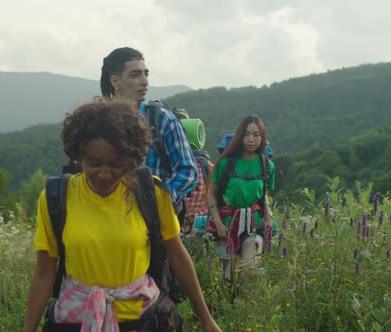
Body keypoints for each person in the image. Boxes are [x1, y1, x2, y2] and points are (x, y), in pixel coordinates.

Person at [23, 99, 221, 332]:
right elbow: (45, 273)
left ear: (131, 159)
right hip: (76, 320)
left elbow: (178, 256)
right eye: (94, 163)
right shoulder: (56, 198)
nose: (105, 174)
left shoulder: (151, 194)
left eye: (116, 164)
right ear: (78, 155)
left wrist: (207, 319)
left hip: (142, 320)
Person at [100, 47, 198, 222]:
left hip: (152, 222)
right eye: (135, 75)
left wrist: (158, 199)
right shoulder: (97, 121)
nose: (145, 81)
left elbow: (188, 170)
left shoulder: (160, 119)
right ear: (115, 80)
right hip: (107, 217)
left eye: (146, 74)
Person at [206, 115, 274, 280]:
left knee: (249, 271)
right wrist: (218, 223)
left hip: (254, 225)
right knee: (229, 279)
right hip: (227, 225)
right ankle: (232, 305)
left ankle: (248, 305)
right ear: (239, 136)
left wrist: (268, 213)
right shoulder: (226, 163)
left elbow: (264, 194)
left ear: (262, 137)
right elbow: (211, 194)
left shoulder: (267, 165)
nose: (251, 139)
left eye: (256, 135)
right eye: (246, 134)